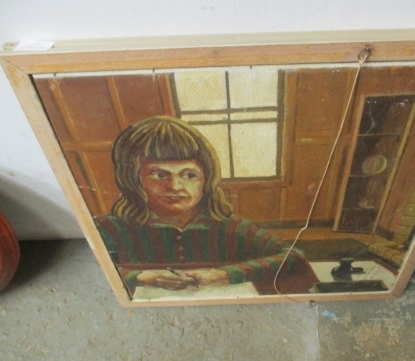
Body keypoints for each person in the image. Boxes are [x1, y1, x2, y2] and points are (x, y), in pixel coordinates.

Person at [94, 115, 317, 297]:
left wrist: (226, 274)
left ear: (205, 179)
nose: (175, 186)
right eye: (159, 174)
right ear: (133, 179)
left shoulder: (229, 227)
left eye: (189, 175)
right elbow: (88, 268)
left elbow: (293, 255)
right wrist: (139, 277)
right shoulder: (110, 229)